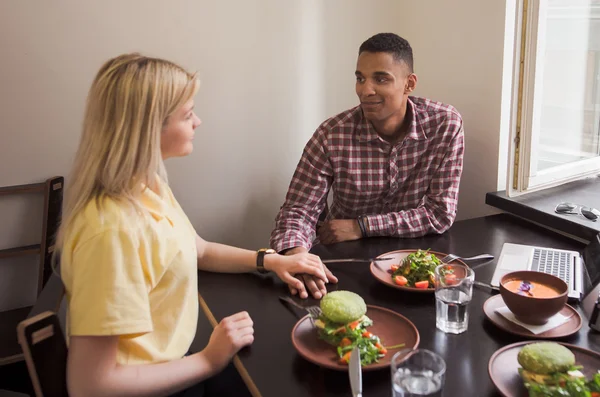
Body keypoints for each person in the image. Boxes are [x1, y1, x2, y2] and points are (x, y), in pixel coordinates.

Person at [55, 53, 328, 397]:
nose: (198, 121)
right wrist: (209, 361)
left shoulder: (147, 185)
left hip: (177, 362)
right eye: (187, 114)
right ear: (148, 128)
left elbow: (197, 249)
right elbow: (90, 385)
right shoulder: (113, 231)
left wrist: (272, 260)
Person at [270, 33, 465, 300]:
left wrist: (361, 226)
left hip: (414, 261)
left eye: (380, 78)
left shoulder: (445, 124)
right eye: (360, 78)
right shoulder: (331, 134)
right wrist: (297, 257)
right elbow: (298, 210)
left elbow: (440, 213)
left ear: (409, 84)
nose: (365, 90)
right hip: (345, 262)